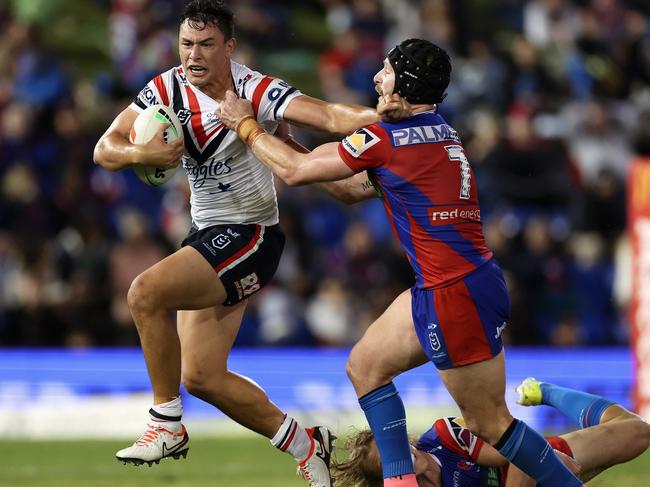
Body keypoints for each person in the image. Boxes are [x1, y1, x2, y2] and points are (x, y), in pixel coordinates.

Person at [218, 38, 585, 486]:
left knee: (490, 423)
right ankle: (400, 481)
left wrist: (247, 127)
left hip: (454, 292)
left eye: (386, 71)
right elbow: (351, 191)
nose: (377, 78)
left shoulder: (383, 138)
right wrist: (286, 143)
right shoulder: (439, 129)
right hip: (455, 283)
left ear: (404, 84)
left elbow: (297, 174)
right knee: (366, 368)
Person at [93, 1, 407, 485]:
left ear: (229, 48)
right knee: (201, 377)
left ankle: (165, 423)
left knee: (144, 293)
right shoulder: (164, 88)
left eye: (205, 45)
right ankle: (308, 444)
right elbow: (103, 148)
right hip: (208, 237)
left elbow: (325, 114)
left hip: (251, 237)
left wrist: (387, 118)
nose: (193, 55)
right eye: (186, 44)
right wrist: (139, 150)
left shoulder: (252, 89)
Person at [331, 378, 650, 486]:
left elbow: (513, 450)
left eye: (393, 445)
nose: (399, 453)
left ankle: (547, 393)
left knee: (638, 433)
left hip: (536, 464)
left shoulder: (443, 436)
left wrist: (550, 458)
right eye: (387, 459)